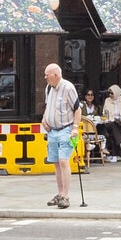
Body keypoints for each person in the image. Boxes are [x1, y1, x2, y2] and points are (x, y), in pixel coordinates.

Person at [40, 63, 80, 208]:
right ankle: (60, 193)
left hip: (65, 129)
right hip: (52, 130)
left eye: (47, 74)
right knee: (56, 162)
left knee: (63, 161)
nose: (45, 77)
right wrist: (44, 119)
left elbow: (77, 109)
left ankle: (66, 196)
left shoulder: (68, 88)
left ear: (56, 75)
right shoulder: (48, 88)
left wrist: (75, 128)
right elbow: (47, 106)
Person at [99, 85, 121, 162]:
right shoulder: (107, 100)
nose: (110, 95)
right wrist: (111, 119)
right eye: (109, 93)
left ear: (116, 93)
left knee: (114, 133)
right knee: (113, 125)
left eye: (112, 93)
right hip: (110, 124)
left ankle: (115, 156)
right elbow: (104, 113)